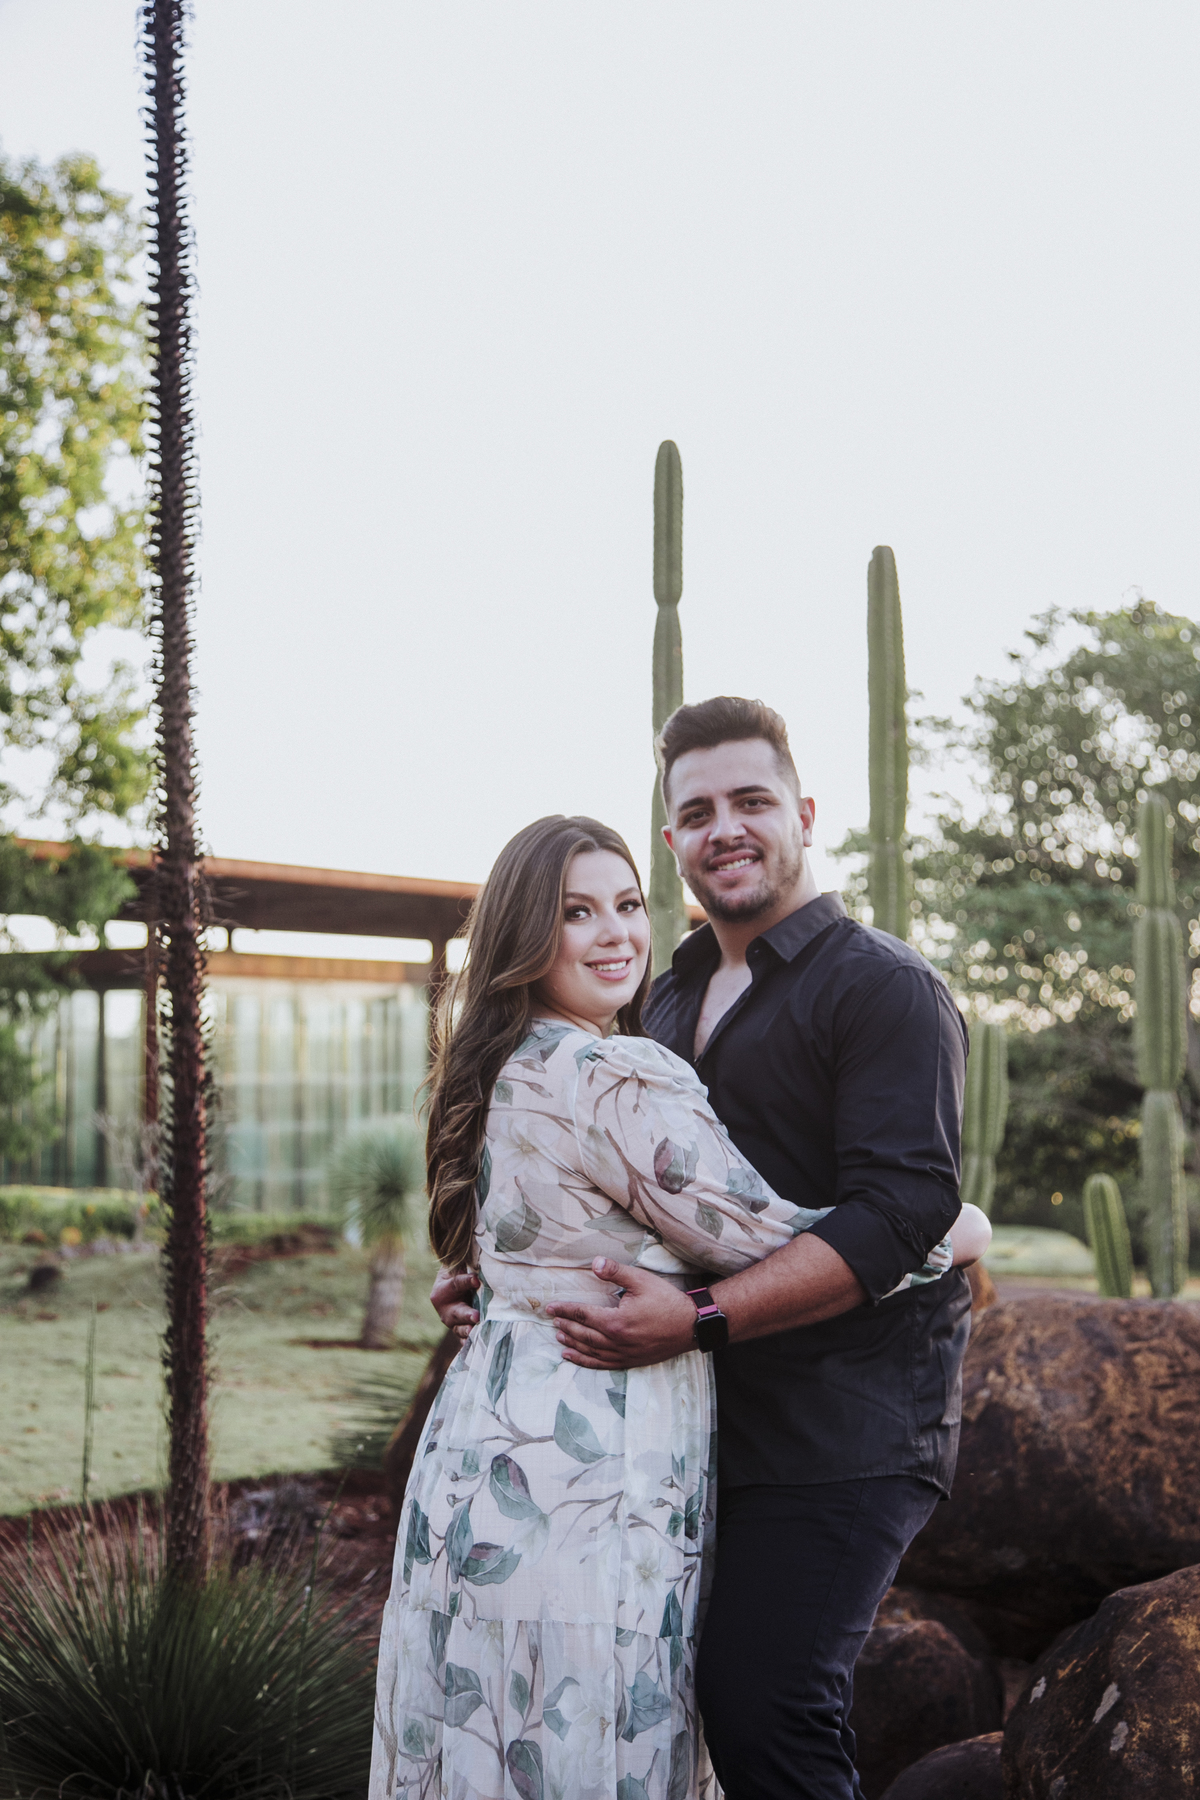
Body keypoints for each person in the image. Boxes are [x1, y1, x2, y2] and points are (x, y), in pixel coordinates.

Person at [435, 698, 981, 1800]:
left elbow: (900, 1211)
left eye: (750, 801)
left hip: (845, 1423)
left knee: (767, 1705)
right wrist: (515, 1276)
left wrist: (703, 1319)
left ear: (805, 815)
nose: (724, 828)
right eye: (697, 812)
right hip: (682, 1425)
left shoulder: (884, 987)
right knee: (661, 1713)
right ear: (673, 838)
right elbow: (633, 1188)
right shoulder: (662, 993)